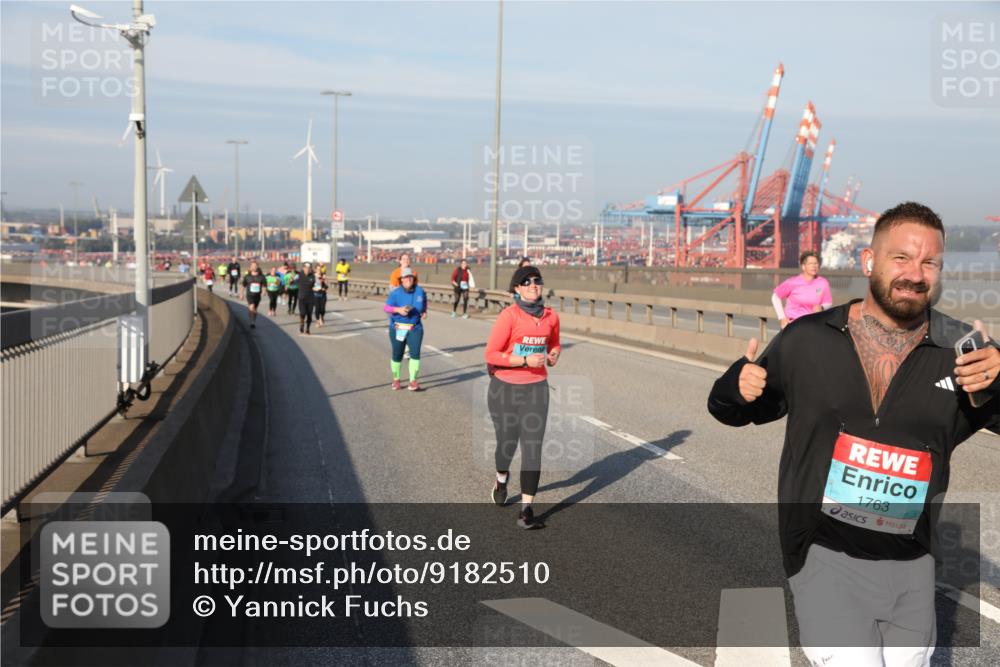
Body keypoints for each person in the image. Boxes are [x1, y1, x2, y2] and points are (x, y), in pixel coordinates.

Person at [707, 202, 1000, 667]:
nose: (915, 274)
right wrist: (734, 387)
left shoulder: (962, 354)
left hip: (914, 564)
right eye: (900, 258)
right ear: (869, 261)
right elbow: (731, 410)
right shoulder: (807, 340)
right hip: (826, 555)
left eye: (929, 262)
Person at [484, 265, 561, 530]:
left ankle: (526, 509)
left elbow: (554, 342)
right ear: (516, 288)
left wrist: (553, 354)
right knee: (507, 444)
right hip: (504, 388)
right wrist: (524, 359)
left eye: (537, 281)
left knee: (532, 447)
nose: (533, 285)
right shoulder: (509, 316)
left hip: (537, 388)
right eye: (526, 281)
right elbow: (491, 355)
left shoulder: (551, 317)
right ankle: (501, 478)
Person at [383, 267, 427, 391]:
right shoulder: (395, 293)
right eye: (405, 277)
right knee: (397, 354)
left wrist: (424, 311)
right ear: (401, 280)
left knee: (415, 354)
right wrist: (398, 310)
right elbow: (386, 308)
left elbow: (424, 302)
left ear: (413, 278)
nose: (408, 279)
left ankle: (413, 381)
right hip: (398, 328)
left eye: (410, 277)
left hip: (415, 328)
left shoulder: (420, 291)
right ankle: (396, 380)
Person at [772, 251, 833, 329]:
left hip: (813, 325)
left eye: (816, 263)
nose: (814, 266)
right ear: (803, 266)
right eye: (810, 264)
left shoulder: (823, 283)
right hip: (793, 325)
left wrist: (822, 307)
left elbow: (828, 302)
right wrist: (782, 318)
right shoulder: (792, 282)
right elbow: (775, 297)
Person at [241, 260, 266, 329]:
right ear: (250, 267)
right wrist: (241, 294)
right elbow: (243, 286)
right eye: (252, 266)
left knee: (254, 309)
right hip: (249, 295)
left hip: (257, 296)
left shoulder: (262, 277)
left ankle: (253, 321)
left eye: (255, 266)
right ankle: (251, 321)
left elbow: (264, 285)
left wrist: (264, 291)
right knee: (251, 308)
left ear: (257, 267)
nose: (254, 267)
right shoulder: (247, 276)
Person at [296, 263, 317, 335]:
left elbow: (315, 284)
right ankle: (302, 322)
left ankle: (307, 329)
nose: (308, 269)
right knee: (302, 313)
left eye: (309, 268)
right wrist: (290, 281)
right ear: (303, 268)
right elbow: (293, 281)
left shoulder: (313, 276)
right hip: (302, 298)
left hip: (310, 299)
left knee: (309, 315)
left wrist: (317, 287)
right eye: (306, 268)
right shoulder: (299, 275)